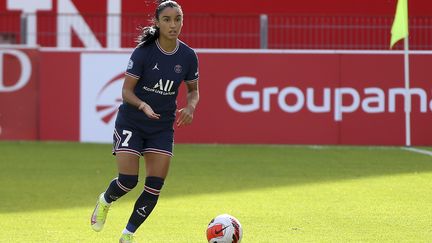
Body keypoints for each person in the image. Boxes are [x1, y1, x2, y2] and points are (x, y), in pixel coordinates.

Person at [90, 1, 199, 242]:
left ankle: (128, 235)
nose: (173, 25)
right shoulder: (144, 52)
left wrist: (190, 106)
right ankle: (105, 200)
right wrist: (143, 105)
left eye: (178, 19)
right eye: (168, 19)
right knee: (128, 181)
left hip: (162, 126)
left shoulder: (188, 56)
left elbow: (193, 90)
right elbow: (126, 91)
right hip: (132, 122)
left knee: (154, 186)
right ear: (157, 23)